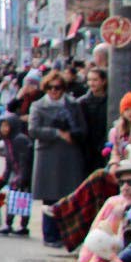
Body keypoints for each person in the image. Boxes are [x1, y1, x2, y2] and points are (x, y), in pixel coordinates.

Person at [29, 70, 86, 244]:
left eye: (58, 87)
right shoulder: (38, 106)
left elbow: (82, 128)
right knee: (50, 196)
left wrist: (73, 134)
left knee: (68, 196)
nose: (54, 91)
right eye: (50, 87)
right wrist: (56, 133)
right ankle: (50, 234)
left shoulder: (73, 104)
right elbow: (33, 130)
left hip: (69, 154)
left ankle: (66, 234)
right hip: (48, 155)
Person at [77, 66, 109, 175]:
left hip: (104, 146)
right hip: (87, 149)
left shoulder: (110, 102)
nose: (91, 83)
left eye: (95, 80)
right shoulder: (82, 103)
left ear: (103, 81)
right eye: (89, 80)